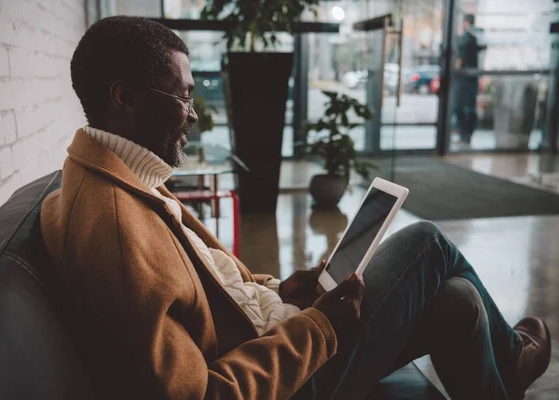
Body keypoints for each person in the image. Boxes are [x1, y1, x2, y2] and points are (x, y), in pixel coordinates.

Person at [40, 16, 551, 400]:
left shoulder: (127, 177)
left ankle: (505, 370)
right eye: (183, 97)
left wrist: (282, 291)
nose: (193, 115)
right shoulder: (113, 223)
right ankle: (513, 362)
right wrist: (319, 326)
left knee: (459, 301)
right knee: (426, 242)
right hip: (292, 377)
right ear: (124, 98)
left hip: (280, 338)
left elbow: (213, 289)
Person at [454, 14, 485, 145]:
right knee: (470, 107)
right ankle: (467, 136)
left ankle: (463, 136)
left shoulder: (466, 38)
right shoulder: (478, 37)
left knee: (459, 107)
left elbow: (459, 60)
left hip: (464, 79)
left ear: (465, 22)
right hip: (473, 78)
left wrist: (455, 71)